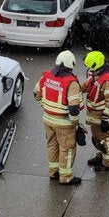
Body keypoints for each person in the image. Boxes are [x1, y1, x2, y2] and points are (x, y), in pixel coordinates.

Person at [34, 50, 84, 185]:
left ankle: (53, 171)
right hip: (64, 123)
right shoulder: (71, 82)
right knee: (67, 149)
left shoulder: (47, 76)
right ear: (71, 65)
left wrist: (46, 108)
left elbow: (36, 93)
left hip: (48, 119)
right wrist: (76, 123)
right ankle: (66, 176)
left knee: (52, 145)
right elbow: (74, 108)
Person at [83, 51, 109, 172]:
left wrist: (105, 119)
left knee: (105, 139)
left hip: (102, 117)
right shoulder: (97, 75)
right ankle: (100, 157)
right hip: (96, 117)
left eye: (90, 66)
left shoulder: (107, 80)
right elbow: (85, 86)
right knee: (97, 138)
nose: (89, 69)